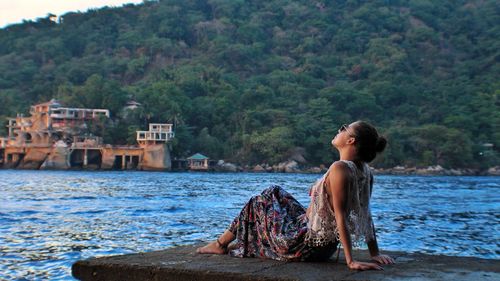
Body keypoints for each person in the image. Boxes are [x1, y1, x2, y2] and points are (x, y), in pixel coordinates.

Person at [196, 121, 395, 270]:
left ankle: (220, 244)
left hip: (306, 245)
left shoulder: (339, 169)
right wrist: (374, 253)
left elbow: (342, 215)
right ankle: (223, 243)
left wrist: (350, 261)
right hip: (319, 241)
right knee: (274, 192)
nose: (340, 130)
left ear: (351, 140)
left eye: (344, 128)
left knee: (257, 203)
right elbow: (366, 214)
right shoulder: (364, 171)